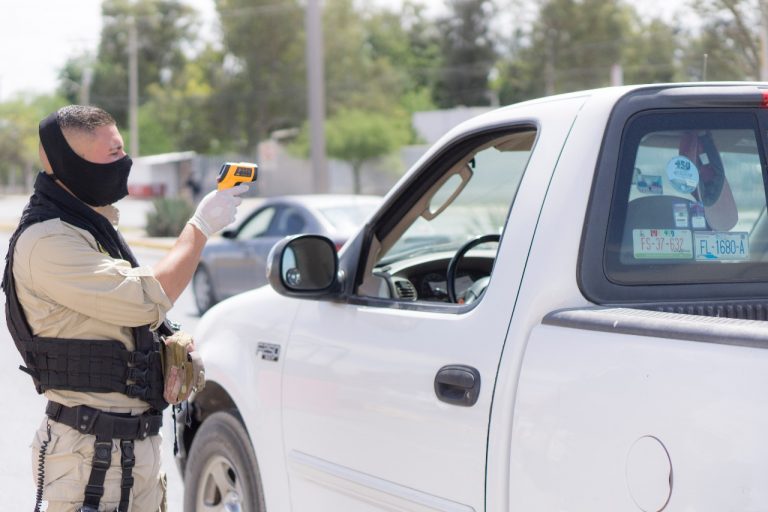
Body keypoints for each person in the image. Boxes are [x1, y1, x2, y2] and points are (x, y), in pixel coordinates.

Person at [1, 105, 248, 512]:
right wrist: (200, 226)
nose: (124, 163)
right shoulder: (47, 240)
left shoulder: (93, 228)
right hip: (90, 458)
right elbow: (146, 298)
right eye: (112, 154)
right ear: (70, 164)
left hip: (133, 449)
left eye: (122, 151)